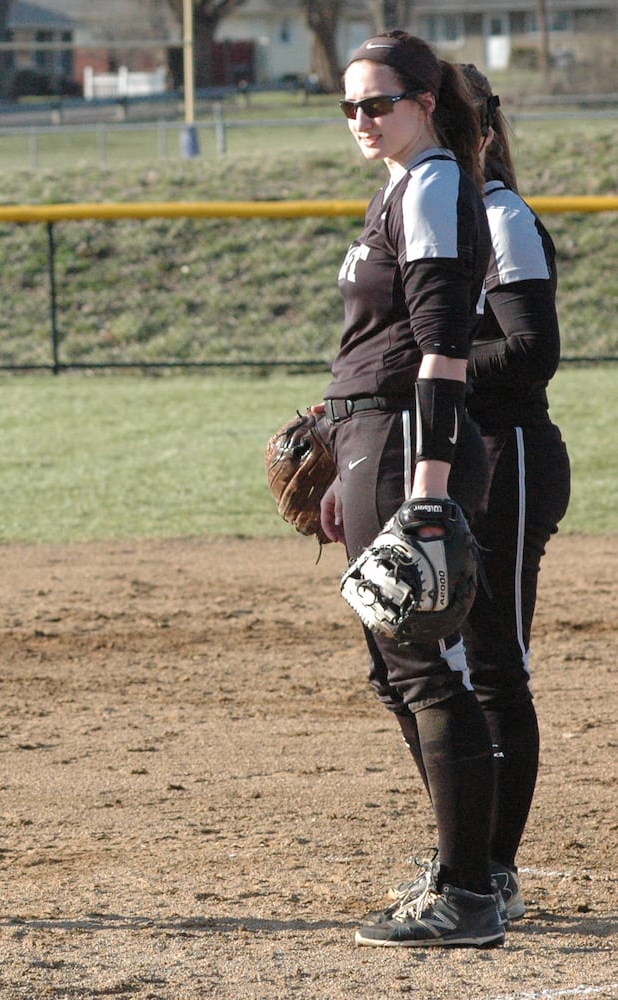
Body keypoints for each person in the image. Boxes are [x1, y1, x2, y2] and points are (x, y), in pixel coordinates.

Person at [318, 32, 503, 947]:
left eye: (378, 102)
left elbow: (440, 346)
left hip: (403, 440)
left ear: (425, 102)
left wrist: (423, 490)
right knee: (401, 671)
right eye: (349, 105)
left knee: (423, 668)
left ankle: (470, 891)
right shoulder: (400, 186)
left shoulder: (430, 182)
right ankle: (457, 869)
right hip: (373, 439)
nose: (362, 119)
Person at [457, 63, 572, 922]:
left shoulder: (500, 217)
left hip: (509, 458)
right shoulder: (425, 217)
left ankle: (490, 868)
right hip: (454, 459)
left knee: (495, 668)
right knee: (446, 667)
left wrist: (428, 371)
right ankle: (463, 850)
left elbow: (531, 351)